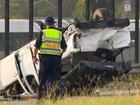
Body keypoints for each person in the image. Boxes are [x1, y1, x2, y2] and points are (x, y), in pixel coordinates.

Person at [33, 16, 67, 98]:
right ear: (54, 24)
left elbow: (36, 47)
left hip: (44, 59)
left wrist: (34, 57)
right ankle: (55, 97)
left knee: (42, 78)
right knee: (55, 79)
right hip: (55, 59)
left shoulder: (43, 32)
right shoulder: (59, 33)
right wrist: (60, 54)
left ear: (46, 24)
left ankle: (40, 98)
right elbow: (64, 48)